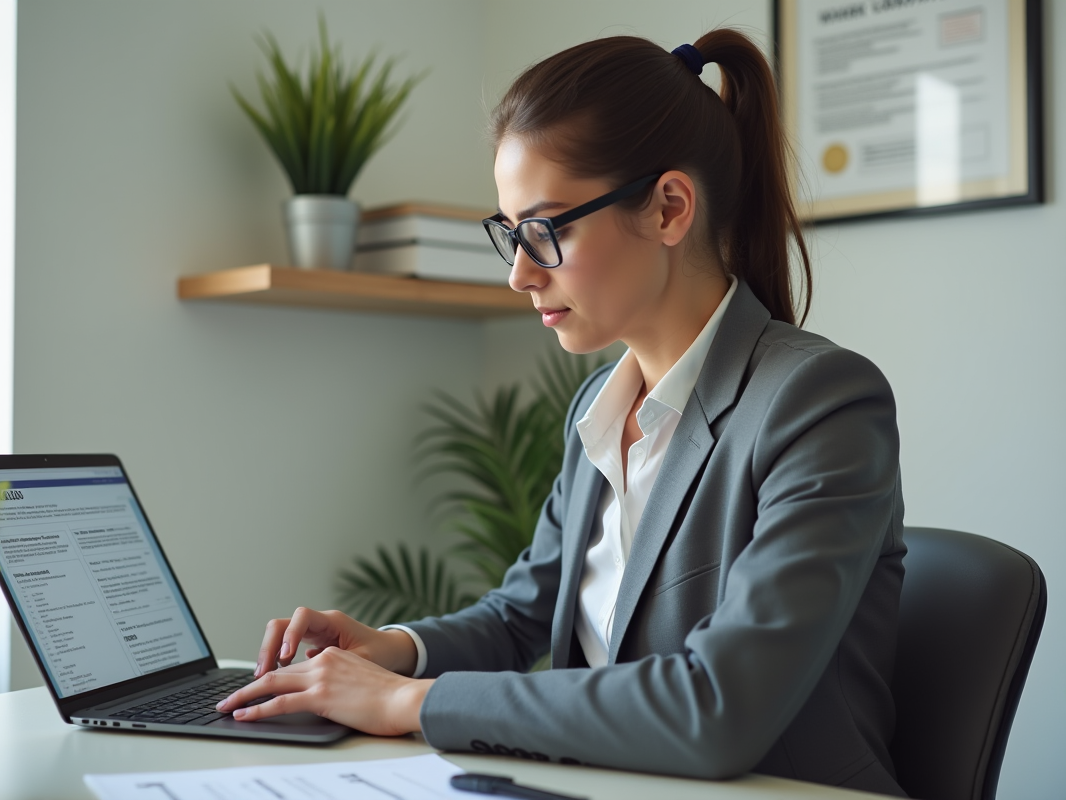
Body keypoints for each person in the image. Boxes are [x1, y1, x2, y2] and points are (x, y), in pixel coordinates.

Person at [217, 30, 906, 797]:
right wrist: (396, 650)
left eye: (544, 231)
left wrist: (409, 701)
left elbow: (719, 707)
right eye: (511, 235)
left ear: (669, 207)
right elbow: (522, 616)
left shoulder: (820, 402)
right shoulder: (599, 407)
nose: (518, 273)